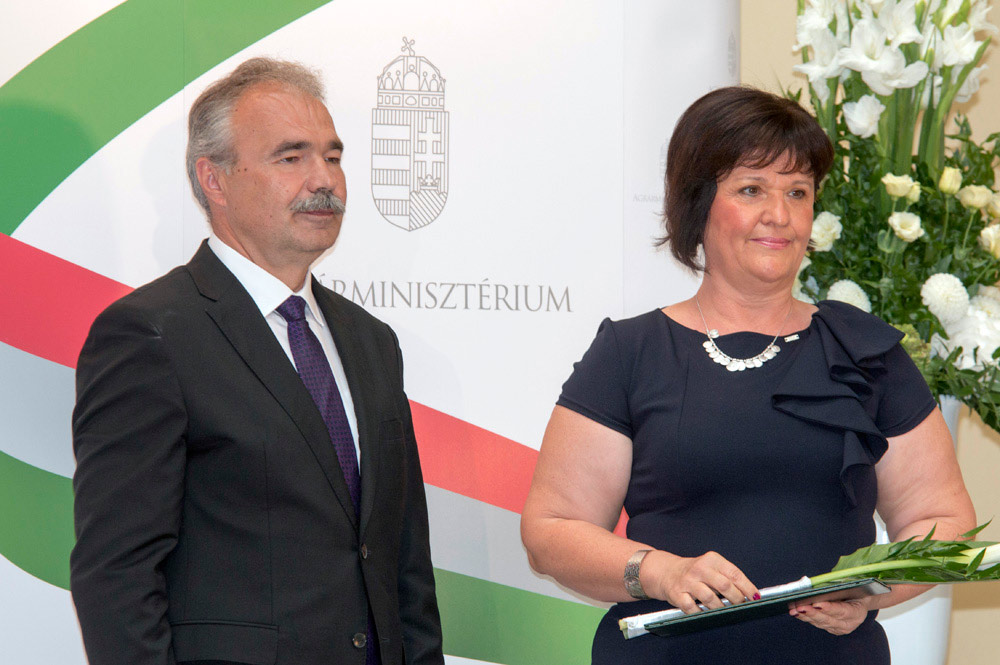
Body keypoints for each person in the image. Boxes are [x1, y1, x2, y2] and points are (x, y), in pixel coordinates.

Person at [520, 86, 976, 664]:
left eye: (798, 192)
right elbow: (552, 529)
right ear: (698, 204)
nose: (779, 215)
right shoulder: (629, 353)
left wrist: (872, 591)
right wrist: (659, 572)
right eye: (751, 189)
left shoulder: (867, 352)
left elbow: (944, 521)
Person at [71, 57, 443, 665]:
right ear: (214, 180)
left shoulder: (372, 341)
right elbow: (117, 576)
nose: (324, 180)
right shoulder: (149, 335)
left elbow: (405, 565)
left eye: (333, 156)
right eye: (291, 157)